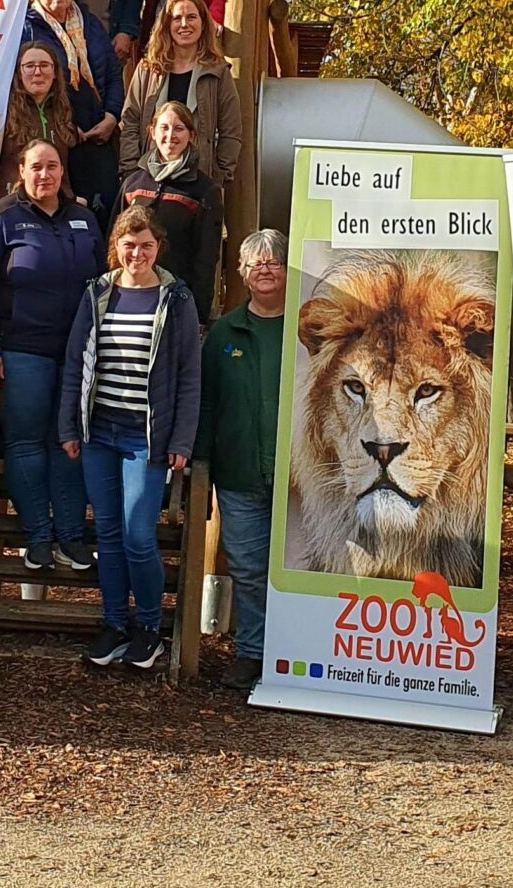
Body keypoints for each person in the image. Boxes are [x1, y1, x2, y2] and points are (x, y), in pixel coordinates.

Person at [60, 206, 203, 672]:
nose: (136, 252)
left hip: (148, 437)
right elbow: (75, 362)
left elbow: (188, 375)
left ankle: (148, 627)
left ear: (157, 247)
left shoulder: (175, 298)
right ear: (115, 248)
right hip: (100, 432)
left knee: (139, 536)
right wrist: (70, 426)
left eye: (145, 244)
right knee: (108, 533)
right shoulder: (96, 294)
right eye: (128, 244)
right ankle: (114, 623)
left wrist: (181, 439)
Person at [0, 140, 106, 572]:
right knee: (27, 444)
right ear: (22, 171)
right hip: (21, 352)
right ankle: (38, 538)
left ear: (62, 172)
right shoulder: (1, 219)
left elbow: (106, 281)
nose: (45, 175)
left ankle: (70, 537)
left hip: (76, 354)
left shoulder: (84, 220)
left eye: (52, 167)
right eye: (36, 168)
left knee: (68, 444)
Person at [200, 228, 286, 691]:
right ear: (242, 273)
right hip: (239, 472)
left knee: (300, 565)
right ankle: (254, 652)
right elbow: (207, 402)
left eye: (273, 260)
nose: (265, 269)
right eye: (256, 263)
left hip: (302, 477)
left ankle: (300, 649)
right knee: (250, 568)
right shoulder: (225, 332)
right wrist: (200, 461)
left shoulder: (308, 330)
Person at [22, 0, 126, 222]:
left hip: (99, 137)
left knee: (104, 215)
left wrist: (112, 117)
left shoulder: (90, 24)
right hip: (58, 140)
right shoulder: (27, 29)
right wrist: (66, 124)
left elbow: (114, 73)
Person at [119, 0, 243, 197]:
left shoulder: (218, 73)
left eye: (191, 17)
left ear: (203, 23)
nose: (184, 24)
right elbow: (129, 121)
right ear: (167, 25)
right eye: (177, 18)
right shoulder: (148, 70)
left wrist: (218, 176)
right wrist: (132, 171)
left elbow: (231, 131)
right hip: (150, 177)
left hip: (198, 180)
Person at [120, 100, 224, 299]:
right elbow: (114, 241)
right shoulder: (133, 184)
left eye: (179, 129)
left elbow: (206, 259)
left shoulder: (205, 190)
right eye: (164, 128)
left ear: (191, 135)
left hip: (176, 297)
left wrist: (199, 314)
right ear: (152, 132)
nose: (170, 136)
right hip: (132, 293)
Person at [0, 40, 81, 199]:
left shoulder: (64, 112)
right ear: (19, 74)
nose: (37, 72)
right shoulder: (3, 113)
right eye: (29, 66)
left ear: (55, 72)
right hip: (14, 204)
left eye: (44, 65)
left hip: (58, 207)